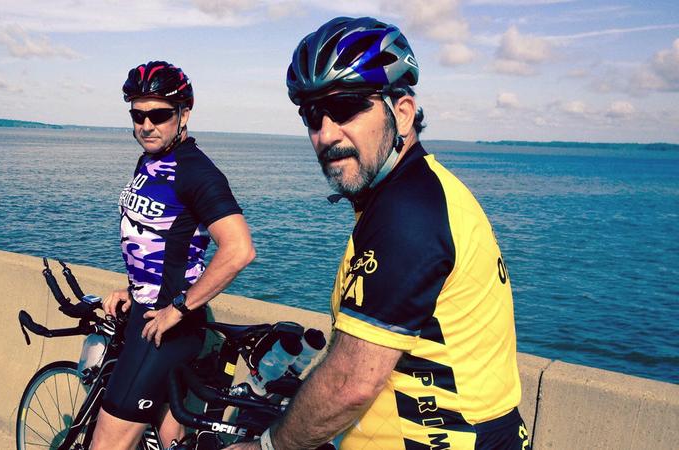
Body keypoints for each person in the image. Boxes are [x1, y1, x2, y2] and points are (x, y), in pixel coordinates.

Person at [227, 17, 528, 450]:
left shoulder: (408, 214)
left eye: (348, 106)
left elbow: (351, 383)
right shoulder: (423, 190)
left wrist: (266, 447)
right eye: (313, 115)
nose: (327, 133)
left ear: (401, 112)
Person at [92, 60, 256, 450]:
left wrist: (179, 308)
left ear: (184, 113)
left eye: (159, 114)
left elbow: (239, 250)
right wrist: (133, 291)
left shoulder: (198, 173)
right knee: (171, 437)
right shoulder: (149, 161)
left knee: (106, 443)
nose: (146, 125)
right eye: (137, 114)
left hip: (164, 328)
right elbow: (160, 243)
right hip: (149, 313)